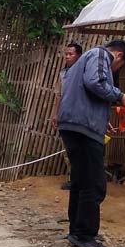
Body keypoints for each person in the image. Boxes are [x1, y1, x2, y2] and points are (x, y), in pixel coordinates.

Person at [57, 39, 125, 247]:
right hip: (82, 129)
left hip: (75, 124)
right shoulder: (101, 55)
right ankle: (84, 235)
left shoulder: (82, 61)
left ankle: (77, 229)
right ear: (118, 56)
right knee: (94, 182)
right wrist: (118, 95)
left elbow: (83, 91)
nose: (115, 71)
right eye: (118, 68)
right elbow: (95, 82)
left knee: (80, 180)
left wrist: (101, 118)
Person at [50, 42, 82, 190]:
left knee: (80, 149)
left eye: (71, 54)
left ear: (79, 56)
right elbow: (59, 95)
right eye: (66, 54)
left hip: (80, 118)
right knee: (67, 149)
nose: (67, 57)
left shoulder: (84, 73)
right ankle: (72, 178)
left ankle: (82, 178)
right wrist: (55, 113)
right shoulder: (63, 74)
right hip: (65, 116)